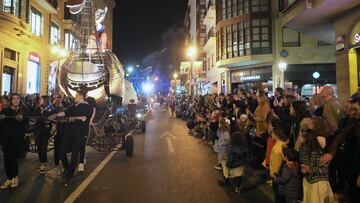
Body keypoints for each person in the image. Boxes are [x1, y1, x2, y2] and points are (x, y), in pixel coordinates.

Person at [50, 89, 92, 186]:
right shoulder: (73, 106)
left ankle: (69, 175)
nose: (75, 97)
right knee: (62, 152)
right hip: (69, 132)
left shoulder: (87, 107)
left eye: (76, 95)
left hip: (79, 133)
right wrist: (55, 115)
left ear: (81, 96)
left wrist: (73, 118)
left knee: (74, 154)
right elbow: (64, 113)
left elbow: (84, 118)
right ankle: (68, 169)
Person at [299, 119, 334, 203]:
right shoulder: (307, 142)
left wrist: (309, 169)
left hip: (317, 184)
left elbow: (324, 169)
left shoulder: (318, 144)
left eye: (311, 123)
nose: (308, 124)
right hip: (309, 181)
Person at [0, 94, 29, 189]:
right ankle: (9, 177)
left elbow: (25, 123)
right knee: (6, 156)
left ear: (20, 100)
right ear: (11, 100)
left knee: (12, 156)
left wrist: (21, 120)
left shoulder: (23, 110)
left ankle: (15, 177)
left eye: (17, 98)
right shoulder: (6, 110)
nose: (16, 100)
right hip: (5, 136)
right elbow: (2, 123)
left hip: (16, 137)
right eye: (14, 98)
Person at [32, 95, 56, 174]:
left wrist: (48, 120)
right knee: (39, 146)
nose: (39, 100)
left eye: (41, 99)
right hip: (38, 130)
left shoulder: (51, 109)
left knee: (43, 146)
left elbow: (54, 118)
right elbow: (34, 117)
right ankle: (42, 162)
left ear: (45, 100)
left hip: (46, 130)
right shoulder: (38, 108)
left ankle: (43, 164)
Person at [78, 85, 96, 172]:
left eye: (81, 91)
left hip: (86, 124)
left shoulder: (91, 100)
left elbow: (93, 111)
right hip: (77, 124)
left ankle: (82, 159)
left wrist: (90, 122)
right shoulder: (78, 100)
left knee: (83, 143)